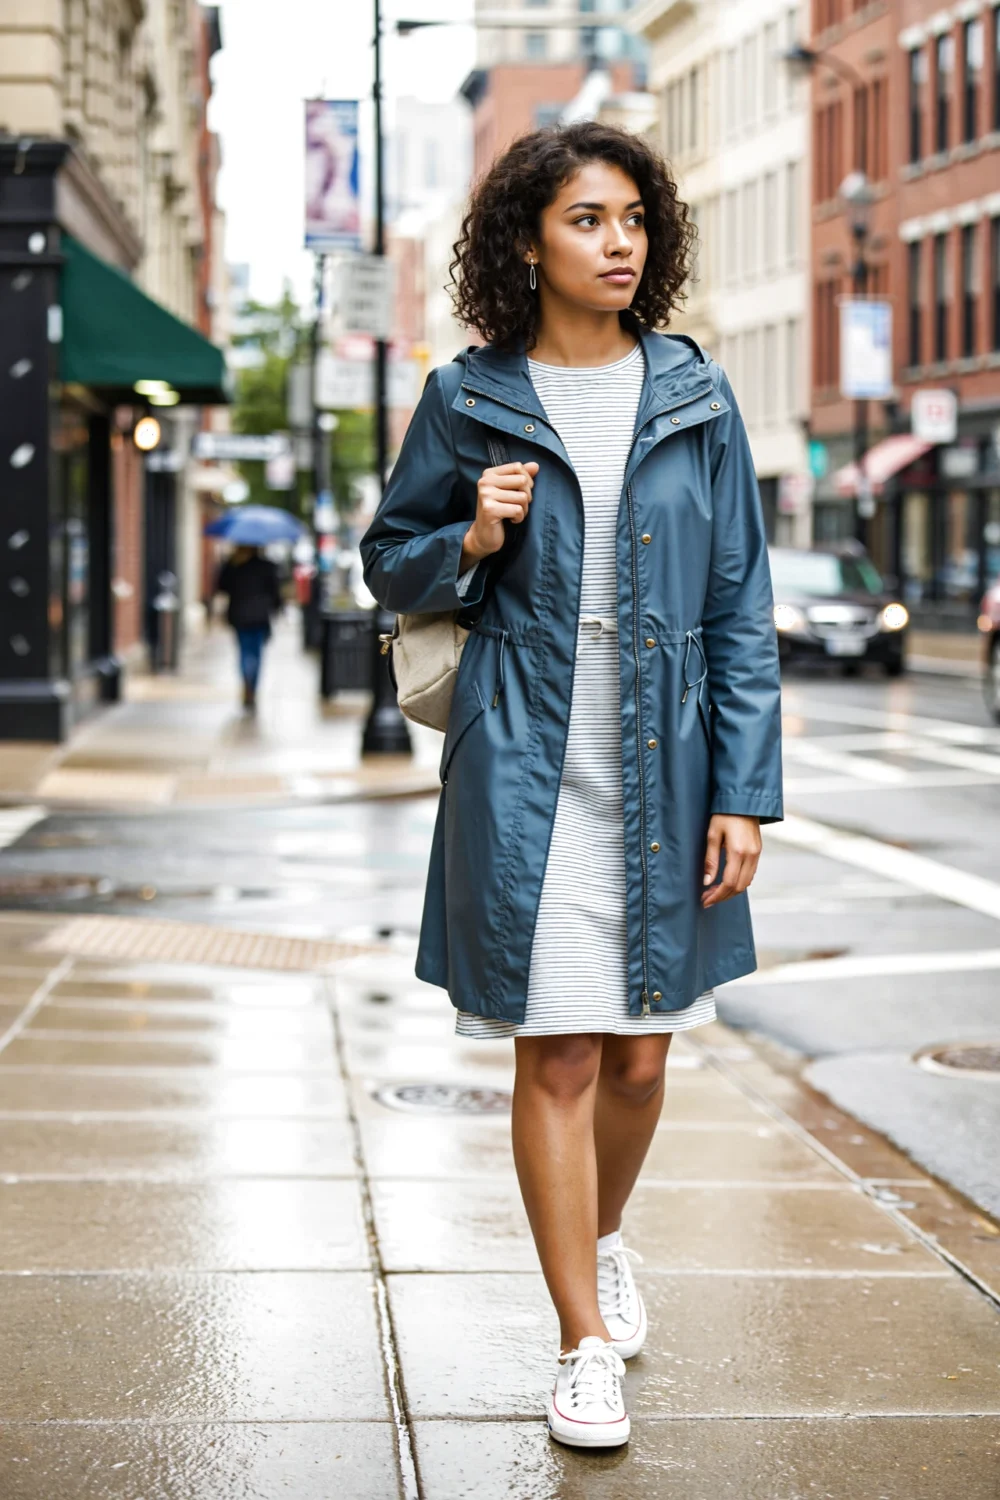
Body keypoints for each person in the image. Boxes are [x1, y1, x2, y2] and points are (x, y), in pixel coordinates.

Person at [360, 122, 782, 1449]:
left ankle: (603, 1236)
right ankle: (579, 1342)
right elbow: (390, 563)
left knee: (644, 1059)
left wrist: (745, 792)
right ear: (528, 242)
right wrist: (471, 535)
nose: (617, 245)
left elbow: (743, 609)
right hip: (529, 759)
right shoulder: (467, 393)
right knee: (559, 1055)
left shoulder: (697, 396)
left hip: (668, 763)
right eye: (588, 221)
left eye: (633, 222)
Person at [215, 545, 282, 711]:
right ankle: (253, 688)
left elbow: (221, 586)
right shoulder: (266, 565)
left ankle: (247, 684)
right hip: (259, 616)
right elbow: (275, 592)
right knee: (256, 653)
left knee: (244, 652)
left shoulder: (234, 565)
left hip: (239, 616)